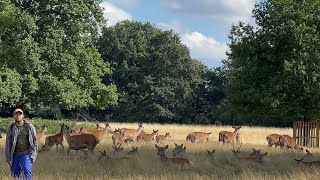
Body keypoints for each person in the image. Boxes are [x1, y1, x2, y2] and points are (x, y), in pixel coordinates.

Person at [5, 108, 38, 180]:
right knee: (15, 175)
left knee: (26, 169)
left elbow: (35, 141)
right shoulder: (11, 128)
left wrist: (34, 155)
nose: (18, 115)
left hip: (26, 153)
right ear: (13, 116)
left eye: (20, 114)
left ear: (23, 116)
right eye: (16, 114)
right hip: (14, 155)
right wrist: (8, 158)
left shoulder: (29, 126)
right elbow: (8, 143)